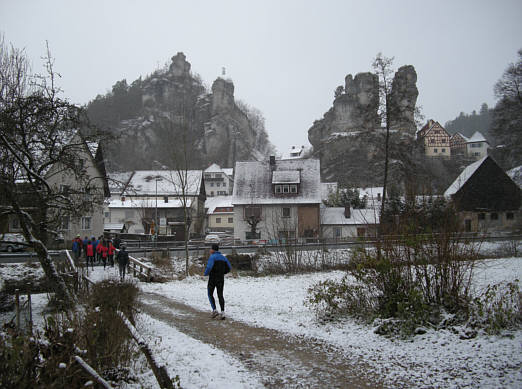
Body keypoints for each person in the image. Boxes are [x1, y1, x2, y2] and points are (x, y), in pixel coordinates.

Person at [204, 244, 232, 320]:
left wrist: (205, 273)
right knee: (220, 295)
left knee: (210, 293)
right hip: (220, 278)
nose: (210, 250)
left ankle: (214, 310)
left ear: (213, 250)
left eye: (210, 249)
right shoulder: (223, 258)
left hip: (213, 278)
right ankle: (222, 312)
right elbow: (229, 267)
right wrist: (223, 272)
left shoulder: (212, 257)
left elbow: (209, 267)